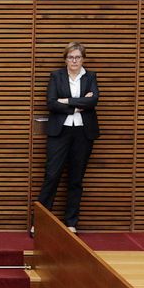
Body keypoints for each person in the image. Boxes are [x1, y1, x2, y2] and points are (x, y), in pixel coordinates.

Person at [39, 42, 100, 230]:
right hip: (60, 132)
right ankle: (40, 223)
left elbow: (93, 101)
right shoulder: (56, 76)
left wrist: (66, 101)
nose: (74, 61)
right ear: (65, 59)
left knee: (76, 179)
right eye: (71, 57)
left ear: (83, 59)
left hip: (83, 132)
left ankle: (71, 223)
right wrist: (77, 105)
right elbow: (51, 103)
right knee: (51, 176)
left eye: (78, 57)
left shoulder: (90, 76)